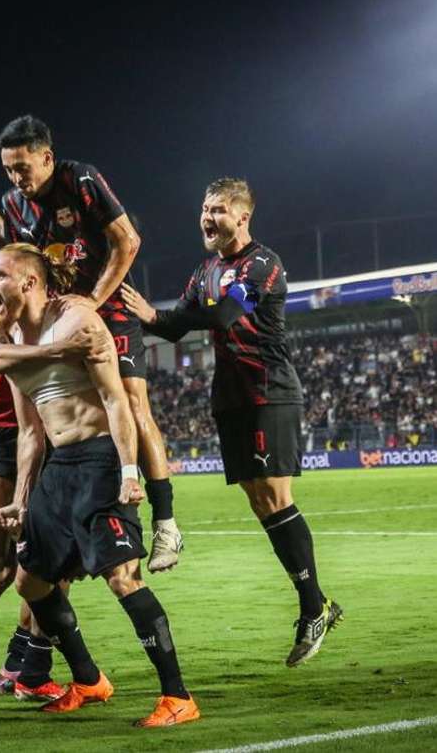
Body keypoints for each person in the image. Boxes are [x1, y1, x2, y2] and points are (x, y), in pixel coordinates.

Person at [120, 177, 343, 666]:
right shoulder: (205, 271)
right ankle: (316, 604)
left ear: (243, 217)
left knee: (277, 496)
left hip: (269, 390)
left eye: (219, 209)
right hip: (230, 396)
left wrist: (170, 316)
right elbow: (179, 324)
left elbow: (224, 316)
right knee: (260, 500)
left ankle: (314, 606)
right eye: (204, 207)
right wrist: (145, 315)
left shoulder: (263, 263)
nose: (208, 216)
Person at [0, 243, 199, 729]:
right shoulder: (14, 335)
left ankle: (178, 696)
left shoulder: (79, 318)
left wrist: (127, 471)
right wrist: (20, 500)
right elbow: (30, 431)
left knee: (123, 577)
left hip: (101, 459)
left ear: (30, 282)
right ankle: (88, 679)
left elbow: (116, 400)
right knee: (30, 582)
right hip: (59, 468)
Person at [0, 205, 111, 722]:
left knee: (52, 565)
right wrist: (67, 346)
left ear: (8, 231)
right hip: (1, 431)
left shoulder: (39, 282)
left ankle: (29, 669)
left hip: (56, 431)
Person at [0, 115, 182, 571]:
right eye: (8, 170)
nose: (17, 178)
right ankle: (84, 518)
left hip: (109, 306)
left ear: (47, 157)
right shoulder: (13, 206)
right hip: (59, 316)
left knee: (132, 403)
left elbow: (128, 241)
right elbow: (29, 268)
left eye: (23, 167)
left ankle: (167, 525)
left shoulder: (80, 179)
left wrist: (95, 300)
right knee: (61, 414)